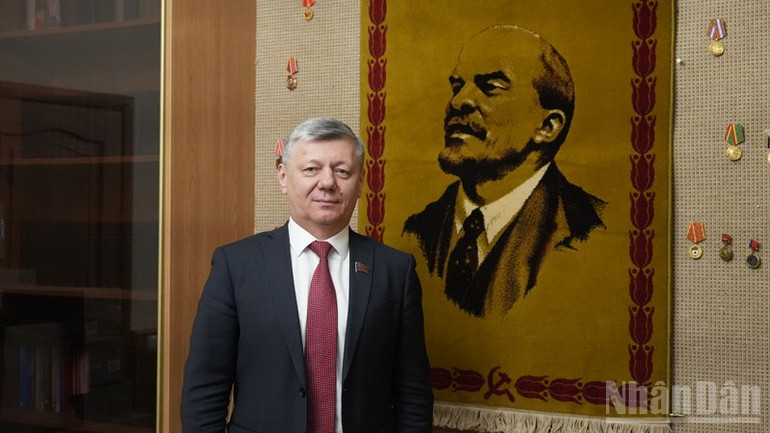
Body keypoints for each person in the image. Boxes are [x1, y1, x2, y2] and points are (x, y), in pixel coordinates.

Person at [181, 117, 433, 433]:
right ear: (284, 177)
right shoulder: (236, 266)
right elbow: (205, 388)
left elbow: (413, 393)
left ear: (360, 183)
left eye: (342, 171)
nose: (327, 182)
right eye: (311, 169)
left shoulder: (395, 270)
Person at [403, 25, 606, 318]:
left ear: (547, 126)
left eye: (490, 87)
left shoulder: (587, 231)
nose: (458, 102)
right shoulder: (418, 229)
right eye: (458, 86)